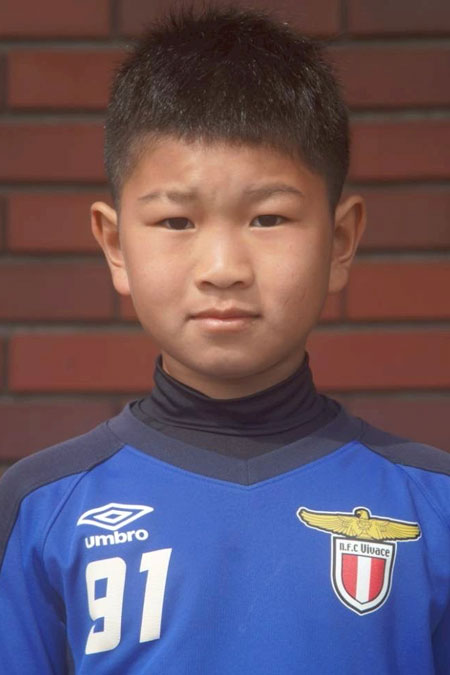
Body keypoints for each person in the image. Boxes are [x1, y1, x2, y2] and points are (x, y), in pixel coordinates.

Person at [0, 5, 448, 674]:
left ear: (340, 240)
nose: (223, 269)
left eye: (268, 218)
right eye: (177, 222)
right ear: (115, 245)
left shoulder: (432, 502)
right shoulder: (43, 506)